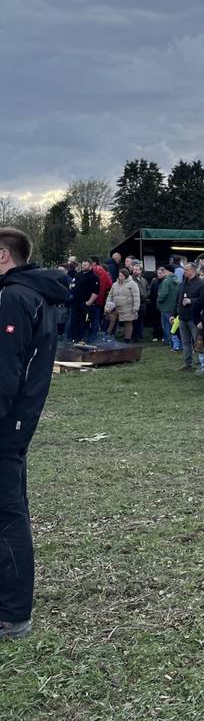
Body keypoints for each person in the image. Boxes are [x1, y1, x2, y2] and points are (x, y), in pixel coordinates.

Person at [0, 227, 69, 639]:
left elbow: (6, 371)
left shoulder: (14, 297)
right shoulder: (32, 294)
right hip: (18, 421)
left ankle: (13, 614)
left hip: (8, 424)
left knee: (7, 516)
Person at [177, 262, 204, 373]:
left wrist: (191, 301)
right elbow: (178, 298)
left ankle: (203, 366)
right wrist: (175, 313)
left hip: (194, 317)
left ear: (193, 271)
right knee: (185, 342)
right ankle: (187, 364)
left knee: (199, 343)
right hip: (182, 316)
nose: (184, 271)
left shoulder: (201, 284)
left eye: (186, 270)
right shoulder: (182, 283)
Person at [105, 268, 140, 340]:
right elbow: (110, 295)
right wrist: (107, 305)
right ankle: (108, 336)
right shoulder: (115, 284)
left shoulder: (132, 284)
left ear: (125, 276)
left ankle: (127, 339)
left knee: (128, 323)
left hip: (127, 308)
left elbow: (136, 296)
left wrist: (135, 307)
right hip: (114, 308)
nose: (119, 277)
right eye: (119, 275)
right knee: (111, 322)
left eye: (121, 275)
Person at [72, 259, 100, 341]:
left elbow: (95, 292)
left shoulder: (94, 277)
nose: (83, 266)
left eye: (85, 265)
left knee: (84, 322)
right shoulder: (78, 274)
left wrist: (89, 302)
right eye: (82, 265)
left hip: (86, 303)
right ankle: (74, 337)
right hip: (76, 302)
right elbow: (73, 285)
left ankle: (84, 338)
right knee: (74, 321)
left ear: (90, 266)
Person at [156, 265, 181, 350]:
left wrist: (158, 300)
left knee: (166, 325)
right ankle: (176, 342)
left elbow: (163, 294)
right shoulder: (177, 280)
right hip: (174, 307)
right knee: (174, 325)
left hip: (166, 306)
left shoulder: (166, 281)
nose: (163, 272)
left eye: (164, 270)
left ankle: (169, 341)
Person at [89, 255, 112, 336]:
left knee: (87, 318)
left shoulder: (91, 270)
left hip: (89, 299)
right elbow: (109, 285)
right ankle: (95, 336)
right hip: (100, 300)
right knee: (96, 318)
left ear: (94, 263)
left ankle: (87, 336)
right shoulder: (105, 273)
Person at [129, 262, 149, 341]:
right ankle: (133, 336)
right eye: (134, 270)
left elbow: (148, 288)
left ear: (141, 271)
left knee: (140, 321)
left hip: (143, 303)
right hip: (134, 303)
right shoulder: (130, 279)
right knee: (134, 320)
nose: (135, 271)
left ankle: (139, 336)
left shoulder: (144, 280)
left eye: (137, 270)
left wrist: (146, 295)